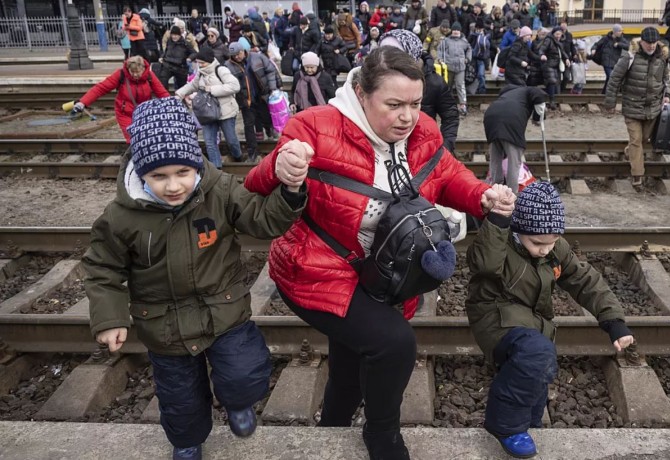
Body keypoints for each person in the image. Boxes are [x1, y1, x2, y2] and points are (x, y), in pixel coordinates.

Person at [242, 46, 502, 460]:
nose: (407, 116)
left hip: (381, 271)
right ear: (361, 93)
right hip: (315, 269)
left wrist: (483, 196)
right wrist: (281, 166)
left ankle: (332, 429)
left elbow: (448, 173)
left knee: (352, 358)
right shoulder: (314, 126)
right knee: (394, 344)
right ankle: (382, 437)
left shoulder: (423, 131)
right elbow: (253, 185)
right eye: (394, 104)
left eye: (415, 104)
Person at [84, 96, 306, 460]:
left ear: (196, 164)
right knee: (179, 396)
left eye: (182, 173)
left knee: (243, 374)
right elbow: (102, 267)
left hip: (225, 312)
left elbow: (261, 218)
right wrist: (109, 317)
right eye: (159, 177)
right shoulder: (121, 217)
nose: (173, 186)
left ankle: (239, 405)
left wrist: (291, 191)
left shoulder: (218, 190)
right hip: (164, 326)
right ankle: (187, 441)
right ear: (141, 173)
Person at [466, 181, 634, 459]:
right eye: (538, 244)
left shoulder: (554, 247)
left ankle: (529, 423)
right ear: (519, 231)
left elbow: (583, 279)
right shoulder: (500, 241)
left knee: (538, 367)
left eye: (552, 242)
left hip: (531, 321)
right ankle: (506, 427)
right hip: (494, 315)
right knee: (537, 352)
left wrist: (613, 321)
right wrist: (497, 221)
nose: (546, 250)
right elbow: (483, 263)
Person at [604, 27, 670, 187]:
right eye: (648, 43)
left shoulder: (662, 57)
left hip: (653, 109)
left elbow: (666, 79)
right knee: (636, 140)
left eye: (654, 43)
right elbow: (614, 80)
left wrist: (667, 94)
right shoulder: (629, 57)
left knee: (643, 139)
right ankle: (637, 176)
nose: (651, 46)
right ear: (641, 42)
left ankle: (630, 152)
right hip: (632, 107)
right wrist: (610, 103)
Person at [380, 28, 460, 154]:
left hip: (422, 150)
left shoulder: (434, 82)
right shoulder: (378, 79)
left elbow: (450, 116)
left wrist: (445, 147)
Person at [74, 56, 169, 142]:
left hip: (144, 114)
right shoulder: (121, 75)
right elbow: (101, 88)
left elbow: (161, 92)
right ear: (128, 69)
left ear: (143, 69)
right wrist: (83, 102)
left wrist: (173, 104)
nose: (135, 75)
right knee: (132, 139)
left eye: (138, 72)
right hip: (125, 113)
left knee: (146, 138)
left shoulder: (149, 75)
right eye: (133, 72)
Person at [176, 47, 242, 167]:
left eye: (202, 62)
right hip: (207, 113)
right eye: (198, 63)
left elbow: (235, 86)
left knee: (231, 140)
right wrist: (179, 93)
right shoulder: (200, 73)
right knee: (210, 142)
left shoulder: (221, 70)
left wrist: (212, 89)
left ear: (209, 60)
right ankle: (217, 169)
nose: (199, 65)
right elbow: (193, 85)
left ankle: (238, 156)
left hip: (225, 111)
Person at [484, 84, 547, 193]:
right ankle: (511, 195)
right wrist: (537, 118)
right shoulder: (529, 90)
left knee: (495, 160)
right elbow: (540, 95)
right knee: (514, 163)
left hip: (490, 117)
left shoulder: (508, 94)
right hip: (511, 121)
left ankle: (495, 191)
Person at [438, 22, 472, 116]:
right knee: (447, 86)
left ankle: (462, 105)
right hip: (449, 67)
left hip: (460, 67)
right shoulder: (446, 40)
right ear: (451, 31)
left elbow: (469, 49)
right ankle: (448, 105)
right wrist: (440, 59)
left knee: (460, 86)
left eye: (457, 30)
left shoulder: (464, 41)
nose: (456, 32)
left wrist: (467, 58)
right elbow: (440, 49)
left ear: (460, 31)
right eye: (454, 30)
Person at [590, 24, 629, 94]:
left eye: (621, 31)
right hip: (606, 62)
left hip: (615, 62)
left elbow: (627, 46)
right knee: (611, 76)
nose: (621, 32)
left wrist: (618, 44)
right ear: (615, 32)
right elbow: (597, 44)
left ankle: (604, 93)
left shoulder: (622, 39)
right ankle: (611, 93)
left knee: (609, 79)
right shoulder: (606, 38)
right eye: (619, 31)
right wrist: (593, 49)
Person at [157, 26, 193, 91]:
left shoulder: (185, 44)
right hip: (168, 65)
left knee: (182, 86)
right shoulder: (169, 42)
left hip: (180, 66)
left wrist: (190, 58)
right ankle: (165, 97)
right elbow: (166, 51)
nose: (174, 37)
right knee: (162, 80)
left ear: (179, 35)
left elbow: (194, 53)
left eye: (176, 35)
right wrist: (162, 57)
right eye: (173, 35)